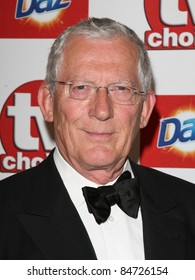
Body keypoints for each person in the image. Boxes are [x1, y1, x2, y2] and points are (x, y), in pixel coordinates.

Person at [0, 17, 195, 260]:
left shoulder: (189, 206)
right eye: (81, 87)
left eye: (121, 89)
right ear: (48, 103)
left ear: (144, 109)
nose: (102, 110)